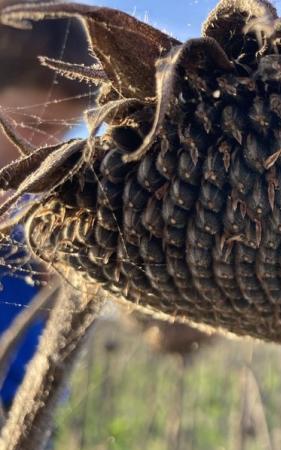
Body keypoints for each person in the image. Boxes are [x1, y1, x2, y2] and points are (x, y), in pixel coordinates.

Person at [0, 0, 93, 413]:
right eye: (32, 124)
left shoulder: (34, 196)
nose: (42, 149)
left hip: (21, 404)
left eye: (60, 132)